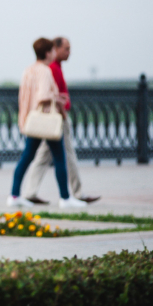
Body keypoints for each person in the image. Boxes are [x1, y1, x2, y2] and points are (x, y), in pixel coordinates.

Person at [8, 38, 87, 208]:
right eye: (52, 51)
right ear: (47, 53)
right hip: (45, 121)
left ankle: (14, 195)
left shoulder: (28, 70)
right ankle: (65, 199)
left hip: (31, 121)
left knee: (27, 157)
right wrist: (59, 99)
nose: (53, 54)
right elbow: (43, 96)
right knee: (59, 157)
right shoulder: (44, 71)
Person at [21, 37, 100, 204]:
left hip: (47, 120)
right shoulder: (50, 69)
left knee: (41, 157)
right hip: (55, 119)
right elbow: (46, 95)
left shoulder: (49, 68)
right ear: (54, 50)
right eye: (66, 48)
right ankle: (72, 195)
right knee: (65, 155)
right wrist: (61, 105)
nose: (69, 52)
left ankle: (30, 192)